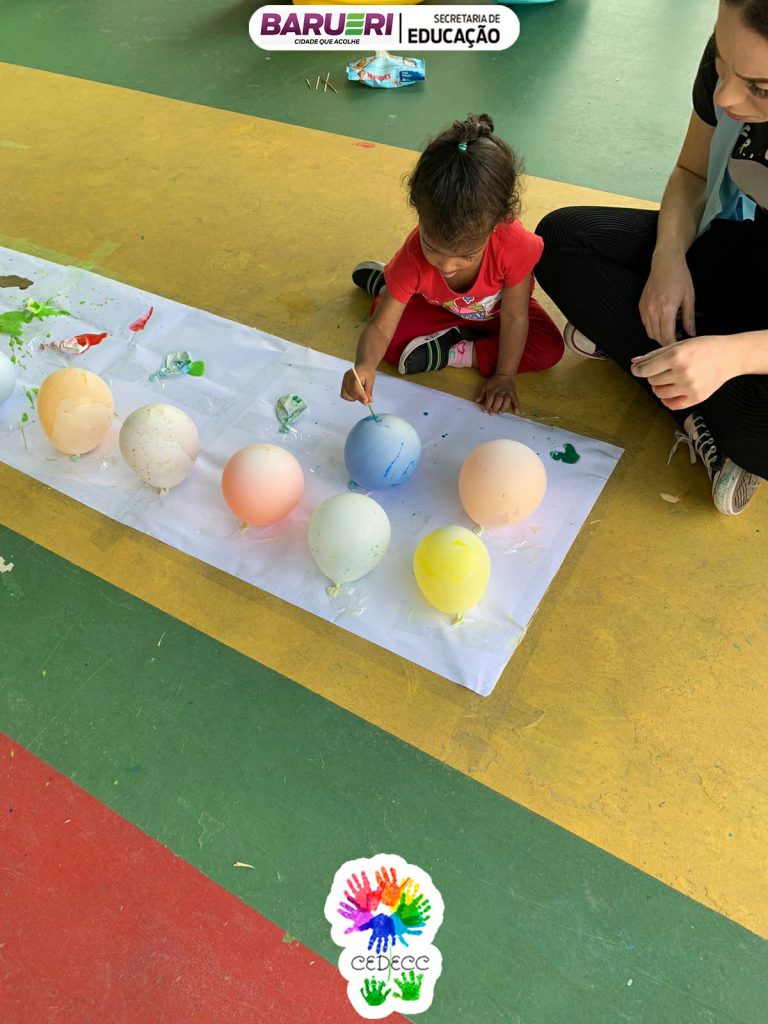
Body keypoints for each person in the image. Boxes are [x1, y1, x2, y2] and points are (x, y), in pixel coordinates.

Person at [535, 0, 768, 515]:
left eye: (760, 88)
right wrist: (668, 258)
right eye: (721, 64)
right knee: (561, 241)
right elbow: (692, 173)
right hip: (743, 246)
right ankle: (697, 399)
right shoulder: (737, 53)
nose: (725, 95)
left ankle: (677, 368)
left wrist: (732, 357)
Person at [340, 114, 563, 416]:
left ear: (498, 223)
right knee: (386, 336)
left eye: (466, 256)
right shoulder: (413, 257)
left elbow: (514, 316)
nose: (445, 267)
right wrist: (364, 366)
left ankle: (453, 349)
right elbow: (380, 327)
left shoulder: (513, 245)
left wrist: (504, 376)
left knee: (549, 348)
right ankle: (392, 286)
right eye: (432, 248)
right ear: (418, 211)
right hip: (437, 305)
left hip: (498, 315)